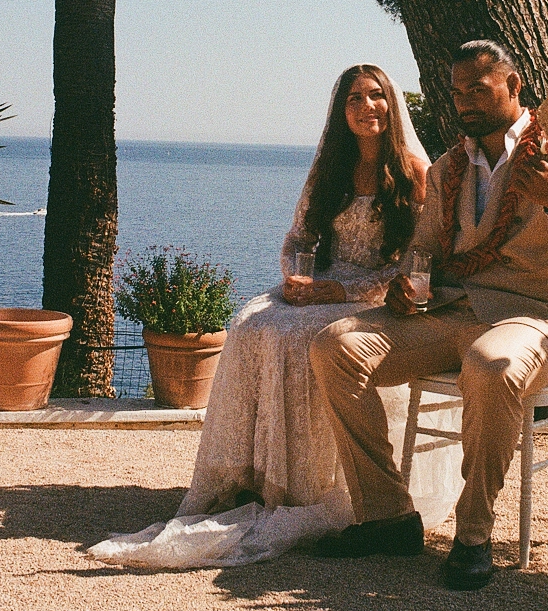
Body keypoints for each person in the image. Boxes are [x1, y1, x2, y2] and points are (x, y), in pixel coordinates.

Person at [89, 64, 461, 571]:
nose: (366, 107)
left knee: (300, 336)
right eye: (354, 98)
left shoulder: (416, 172)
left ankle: (305, 486)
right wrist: (294, 279)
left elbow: (416, 262)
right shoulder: (329, 169)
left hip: (371, 296)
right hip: (320, 285)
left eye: (376, 96)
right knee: (252, 323)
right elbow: (298, 239)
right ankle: (250, 476)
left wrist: (342, 290)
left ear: (392, 105)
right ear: (341, 111)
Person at [309, 39, 548, 591]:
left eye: (478, 89)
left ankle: (473, 535)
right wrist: (406, 285)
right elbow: (424, 251)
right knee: (334, 346)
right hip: (451, 312)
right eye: (457, 94)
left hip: (536, 317)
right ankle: (388, 516)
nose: (465, 103)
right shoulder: (449, 167)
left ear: (513, 85)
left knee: (491, 364)